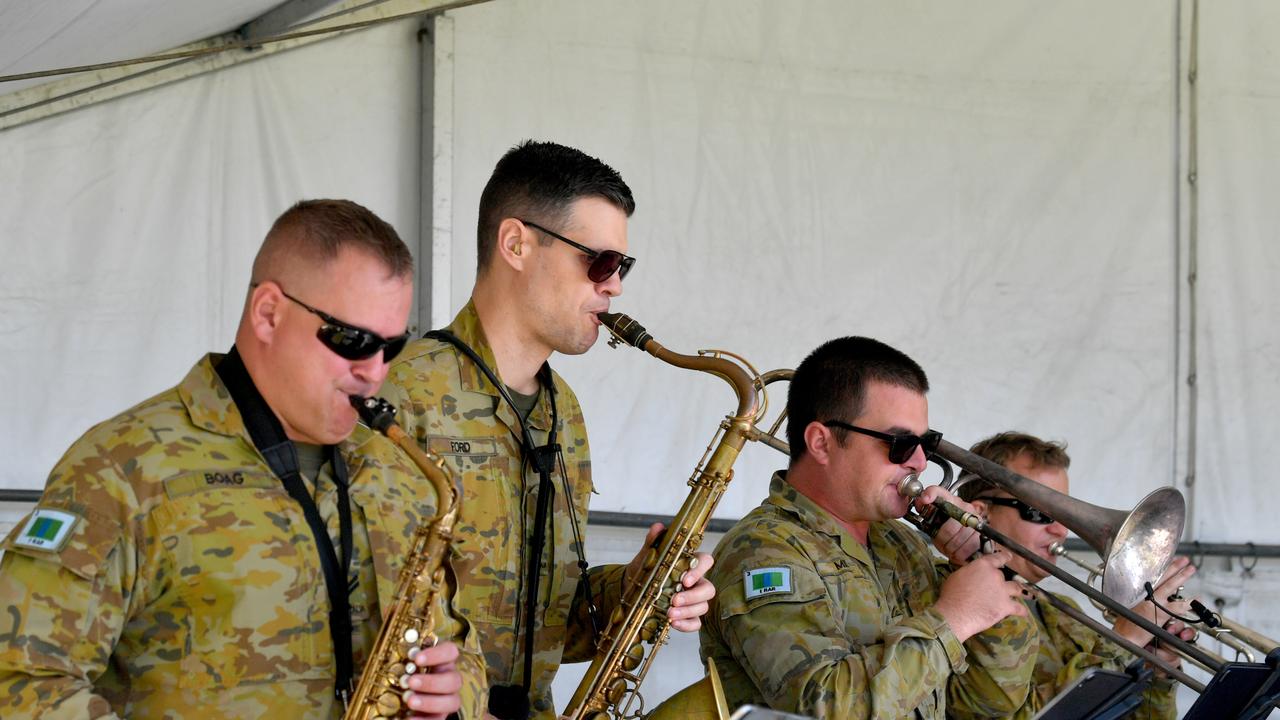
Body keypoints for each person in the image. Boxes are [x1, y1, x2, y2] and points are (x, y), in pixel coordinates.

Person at [0, 200, 483, 720]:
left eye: (391, 347)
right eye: (353, 341)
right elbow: (21, 682)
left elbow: (463, 649)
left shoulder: (401, 473)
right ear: (269, 313)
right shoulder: (123, 467)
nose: (374, 371)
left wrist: (457, 695)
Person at [378, 140, 716, 720]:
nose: (615, 287)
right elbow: (372, 602)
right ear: (516, 243)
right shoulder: (401, 395)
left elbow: (555, 621)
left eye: (623, 267)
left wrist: (638, 587)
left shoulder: (565, 412)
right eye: (602, 262)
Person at [698, 336, 1039, 719]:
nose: (920, 462)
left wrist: (976, 563)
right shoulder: (762, 550)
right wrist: (954, 619)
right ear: (822, 443)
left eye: (925, 443)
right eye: (900, 443)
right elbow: (823, 709)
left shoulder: (902, 544)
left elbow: (987, 703)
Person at [960, 431, 1197, 720]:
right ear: (982, 514)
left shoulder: (1061, 610)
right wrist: (1124, 639)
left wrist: (1156, 668)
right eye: (1040, 511)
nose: (1061, 530)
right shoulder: (954, 603)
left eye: (1066, 513)